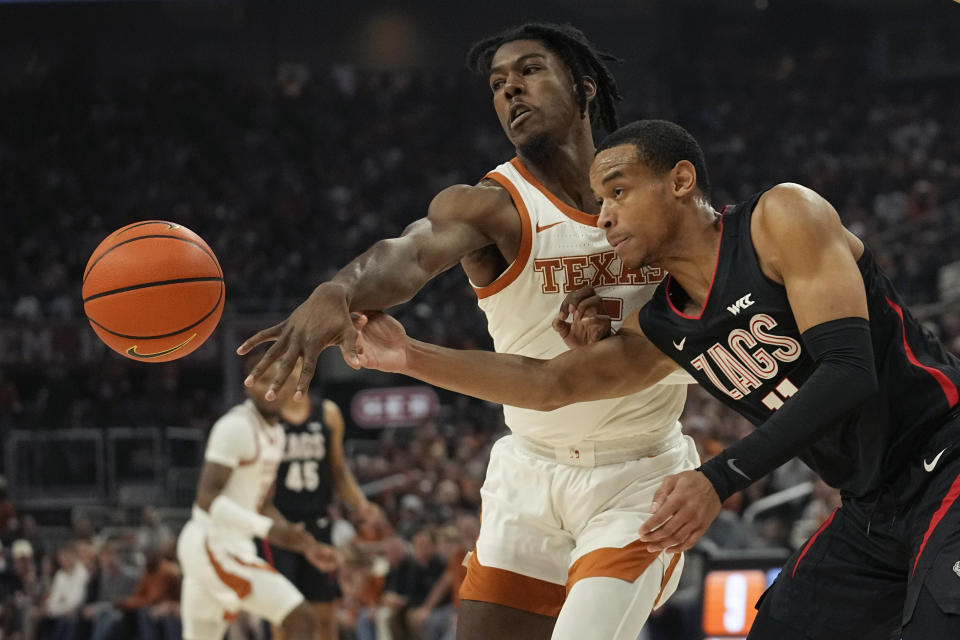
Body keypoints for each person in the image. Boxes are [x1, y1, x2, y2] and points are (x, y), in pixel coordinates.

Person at [351, 119, 960, 639]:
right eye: (598, 202)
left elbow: (849, 372)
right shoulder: (665, 322)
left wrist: (718, 478)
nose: (605, 216)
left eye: (617, 191)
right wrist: (409, 357)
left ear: (681, 180)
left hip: (947, 457)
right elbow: (549, 386)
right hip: (872, 505)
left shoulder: (780, 218)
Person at [239, 22, 698, 640]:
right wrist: (340, 288)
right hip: (529, 472)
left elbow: (708, 287)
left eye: (530, 71)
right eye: (498, 84)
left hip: (637, 475)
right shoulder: (492, 204)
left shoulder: (652, 191)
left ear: (585, 87)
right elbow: (408, 254)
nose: (511, 90)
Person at [175, 356, 339, 640]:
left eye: (281, 380)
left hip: (233, 545)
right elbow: (206, 499)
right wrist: (268, 529)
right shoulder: (235, 427)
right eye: (263, 380)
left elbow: (263, 505)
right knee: (301, 618)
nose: (272, 388)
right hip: (212, 545)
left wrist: (308, 547)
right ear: (248, 385)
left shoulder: (276, 433)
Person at [264, 390, 383, 640]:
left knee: (325, 613)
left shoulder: (327, 413)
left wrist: (361, 504)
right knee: (283, 615)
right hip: (280, 526)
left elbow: (337, 469)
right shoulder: (266, 415)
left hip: (317, 522)